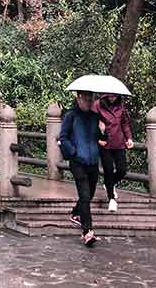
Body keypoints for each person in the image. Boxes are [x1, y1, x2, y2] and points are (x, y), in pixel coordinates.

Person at [58, 90, 102, 246]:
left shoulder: (95, 117)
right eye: (86, 98)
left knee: (89, 194)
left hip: (92, 162)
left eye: (91, 98)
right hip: (78, 162)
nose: (89, 101)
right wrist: (73, 151)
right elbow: (63, 137)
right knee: (84, 196)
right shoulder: (70, 116)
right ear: (78, 98)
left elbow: (101, 139)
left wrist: (103, 131)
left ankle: (76, 212)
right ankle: (87, 231)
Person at [94, 93, 133, 212]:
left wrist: (129, 138)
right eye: (110, 96)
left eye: (114, 96)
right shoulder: (97, 105)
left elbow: (124, 123)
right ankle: (111, 199)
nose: (112, 98)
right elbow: (90, 122)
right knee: (108, 170)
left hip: (119, 142)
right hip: (104, 143)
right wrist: (98, 132)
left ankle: (108, 183)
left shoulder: (121, 105)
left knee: (122, 170)